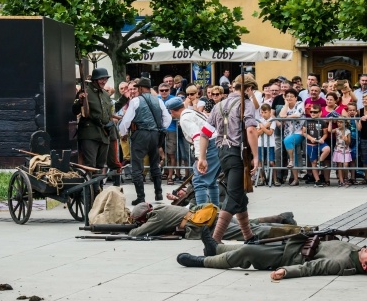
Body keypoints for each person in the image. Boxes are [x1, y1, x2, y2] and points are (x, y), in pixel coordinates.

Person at [198, 74, 258, 244]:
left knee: (239, 196)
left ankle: (249, 237)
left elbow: (205, 133)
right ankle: (215, 239)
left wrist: (201, 157)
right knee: (233, 196)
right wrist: (257, 156)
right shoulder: (245, 104)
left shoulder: (219, 105)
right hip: (238, 153)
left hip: (222, 152)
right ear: (249, 89)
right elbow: (251, 130)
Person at [177, 229, 367, 280]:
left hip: (288, 257)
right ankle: (216, 249)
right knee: (254, 244)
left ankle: (203, 261)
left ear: (365, 266)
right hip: (295, 245)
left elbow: (311, 268)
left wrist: (286, 271)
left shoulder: (343, 263)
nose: (365, 249)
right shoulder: (354, 251)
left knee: (247, 251)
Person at [119, 77, 172, 205]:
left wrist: (123, 132)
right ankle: (158, 194)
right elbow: (168, 119)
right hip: (155, 135)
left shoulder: (136, 101)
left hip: (140, 134)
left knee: (137, 165)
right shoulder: (158, 101)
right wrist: (160, 127)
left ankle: (140, 197)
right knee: (154, 163)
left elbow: (126, 120)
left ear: (141, 88)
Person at [129, 202, 301, 241]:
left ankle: (300, 231)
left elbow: (137, 233)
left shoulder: (156, 217)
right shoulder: (161, 208)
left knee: (249, 231)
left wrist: (133, 228)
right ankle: (283, 220)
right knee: (250, 225)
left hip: (205, 224)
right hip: (211, 215)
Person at [166, 96, 221, 206]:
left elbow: (198, 137)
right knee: (211, 182)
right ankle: (215, 211)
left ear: (171, 111)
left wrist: (200, 157)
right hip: (216, 143)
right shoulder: (192, 112)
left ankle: (202, 214)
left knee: (199, 181)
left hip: (208, 145)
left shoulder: (185, 119)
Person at [72, 67, 113, 186]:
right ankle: (91, 193)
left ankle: (99, 190)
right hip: (89, 133)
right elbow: (74, 111)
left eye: (105, 79)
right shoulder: (85, 93)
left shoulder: (105, 94)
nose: (104, 81)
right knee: (90, 165)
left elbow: (108, 112)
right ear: (95, 80)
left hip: (104, 133)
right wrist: (80, 101)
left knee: (100, 165)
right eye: (101, 79)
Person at [278, 88, 305, 186]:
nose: (289, 98)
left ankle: (291, 161)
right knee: (293, 153)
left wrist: (286, 117)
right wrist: (286, 104)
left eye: (291, 96)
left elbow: (298, 114)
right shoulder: (285, 106)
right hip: (288, 132)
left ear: (295, 98)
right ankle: (295, 178)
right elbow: (281, 115)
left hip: (300, 132)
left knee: (287, 142)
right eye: (287, 96)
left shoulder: (300, 104)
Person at [302, 104, 330, 187]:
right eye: (311, 112)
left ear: (320, 113)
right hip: (311, 144)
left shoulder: (322, 122)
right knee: (313, 162)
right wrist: (310, 138)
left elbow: (325, 133)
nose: (313, 113)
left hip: (320, 142)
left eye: (315, 112)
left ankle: (320, 162)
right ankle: (317, 180)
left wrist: (322, 139)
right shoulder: (307, 121)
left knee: (327, 149)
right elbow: (303, 132)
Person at [158, 82, 178, 185]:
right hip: (159, 129)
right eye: (162, 90)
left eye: (166, 90)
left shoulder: (174, 99)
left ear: (169, 90)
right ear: (159, 91)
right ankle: (164, 172)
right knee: (159, 151)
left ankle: (170, 176)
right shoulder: (156, 99)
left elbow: (178, 114)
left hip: (171, 129)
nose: (164, 92)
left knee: (171, 154)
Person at [256, 103, 278, 186]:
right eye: (262, 112)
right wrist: (265, 126)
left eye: (265, 112)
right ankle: (262, 178)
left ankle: (275, 179)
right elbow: (258, 133)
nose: (263, 114)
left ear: (269, 112)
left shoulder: (272, 121)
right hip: (260, 144)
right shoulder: (259, 120)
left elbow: (269, 132)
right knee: (260, 162)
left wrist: (262, 127)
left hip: (270, 144)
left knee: (271, 162)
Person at [328, 119, 351, 186]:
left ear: (345, 123)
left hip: (346, 150)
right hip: (338, 150)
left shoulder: (347, 131)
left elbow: (349, 142)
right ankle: (341, 180)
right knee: (339, 165)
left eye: (341, 122)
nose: (339, 124)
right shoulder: (337, 130)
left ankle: (345, 178)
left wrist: (346, 140)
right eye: (338, 122)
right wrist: (330, 121)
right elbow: (329, 130)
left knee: (345, 165)